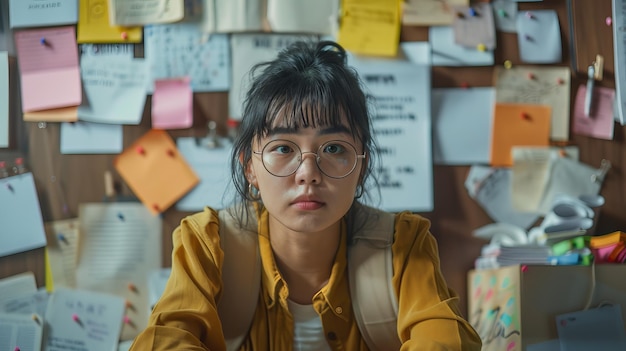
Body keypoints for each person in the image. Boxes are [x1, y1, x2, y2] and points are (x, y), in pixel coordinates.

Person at [130, 39, 482, 350]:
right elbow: (167, 339)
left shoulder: (402, 246)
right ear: (249, 167)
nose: (308, 175)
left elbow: (444, 339)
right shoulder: (207, 246)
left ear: (361, 165)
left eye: (333, 148)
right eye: (283, 148)